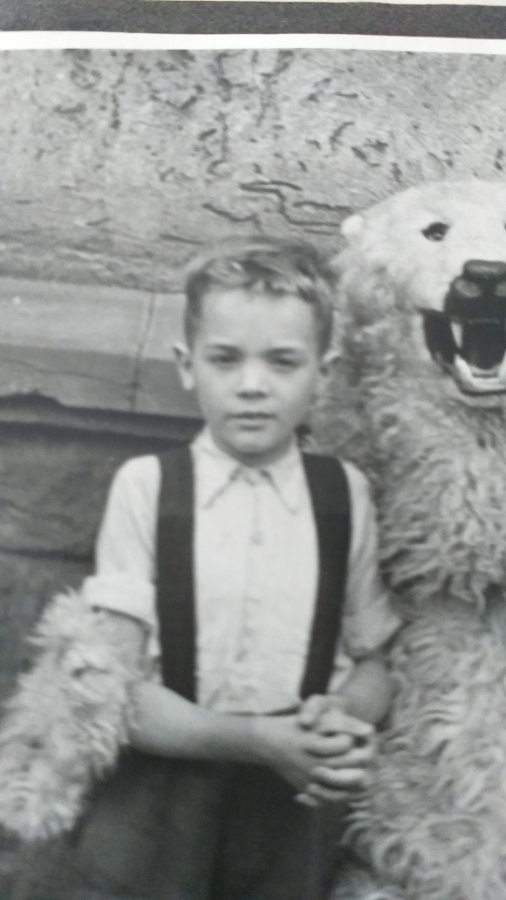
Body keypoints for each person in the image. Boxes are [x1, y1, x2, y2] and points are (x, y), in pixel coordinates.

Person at [76, 236, 400, 900]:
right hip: (162, 795)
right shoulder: (147, 487)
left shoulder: (344, 494)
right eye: (225, 359)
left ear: (324, 373)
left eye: (283, 361)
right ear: (187, 364)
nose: (252, 386)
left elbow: (376, 662)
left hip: (291, 804)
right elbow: (113, 691)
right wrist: (257, 739)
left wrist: (340, 718)